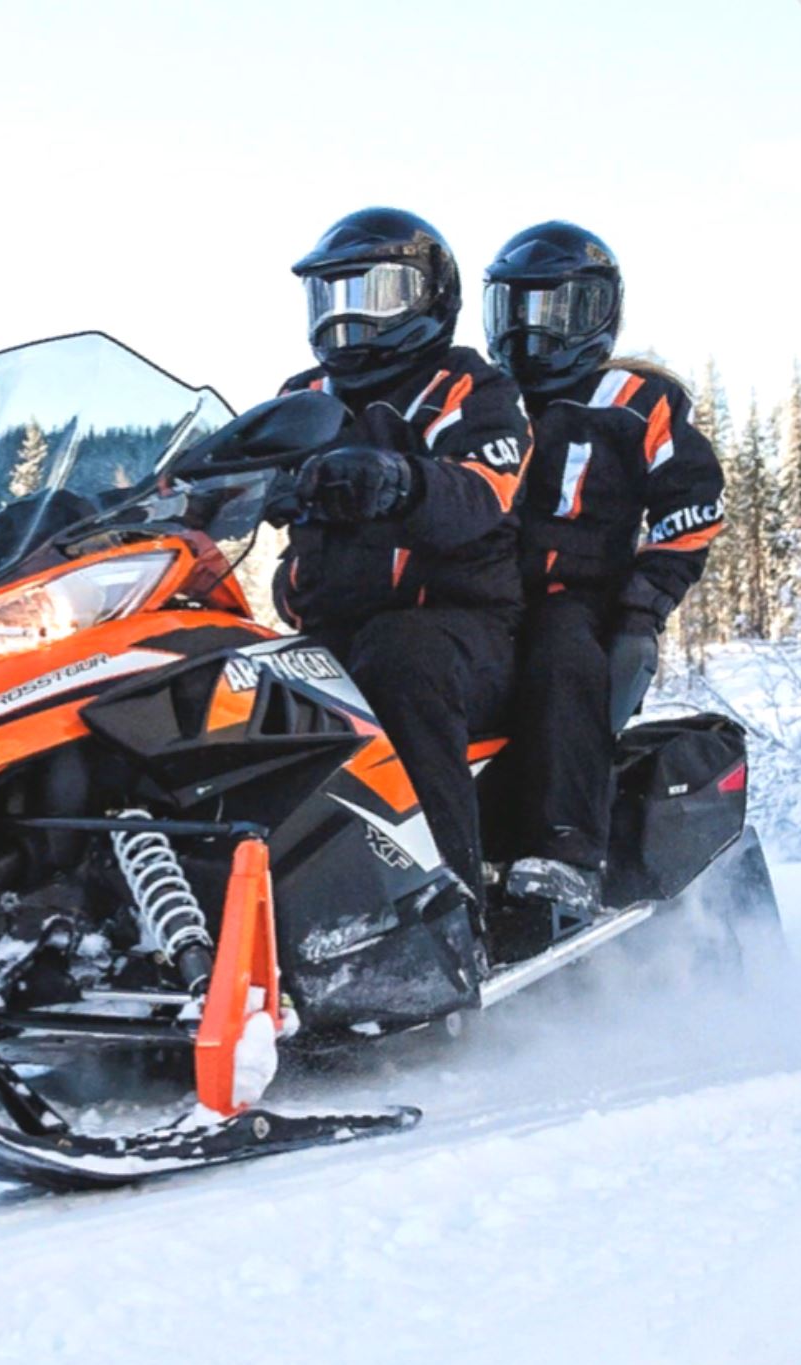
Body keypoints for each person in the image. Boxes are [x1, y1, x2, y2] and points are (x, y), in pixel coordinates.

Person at [272, 207, 531, 909]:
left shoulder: (471, 389)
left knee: (400, 656)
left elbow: (482, 490)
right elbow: (224, 472)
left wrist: (400, 480)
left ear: (426, 296)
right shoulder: (303, 398)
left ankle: (448, 903)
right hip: (333, 630)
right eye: (330, 297)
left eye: (370, 293)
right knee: (245, 692)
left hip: (461, 630)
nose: (343, 318)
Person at [482, 220, 724, 915]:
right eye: (516, 309)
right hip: (482, 596)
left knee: (560, 655)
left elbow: (695, 503)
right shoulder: (488, 403)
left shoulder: (635, 400)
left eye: (551, 311)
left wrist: (644, 600)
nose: (531, 331)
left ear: (595, 312)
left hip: (582, 598)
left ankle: (563, 852)